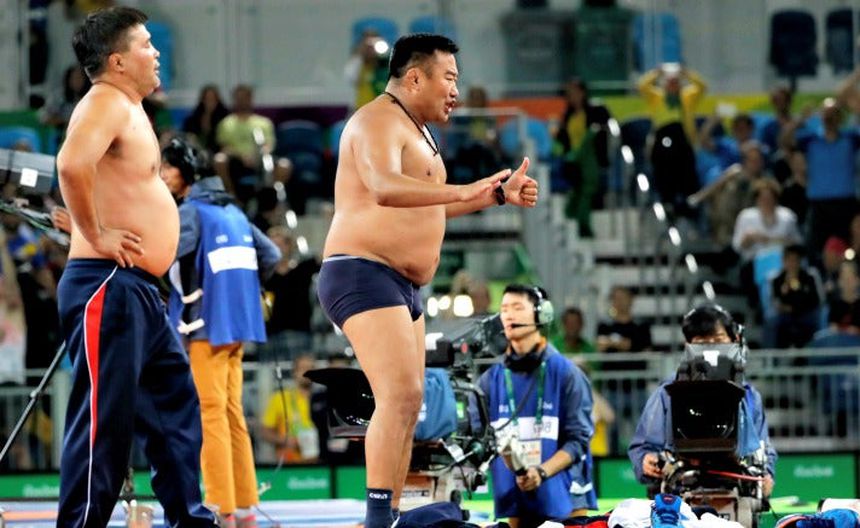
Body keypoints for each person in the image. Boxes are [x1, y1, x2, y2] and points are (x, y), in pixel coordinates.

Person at [316, 33, 538, 528]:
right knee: (398, 397)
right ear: (415, 77)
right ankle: (378, 519)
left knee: (409, 400)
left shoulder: (419, 131)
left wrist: (495, 195)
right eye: (450, 79)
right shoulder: (377, 120)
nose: (456, 91)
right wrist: (463, 188)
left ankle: (391, 515)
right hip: (362, 269)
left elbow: (432, 205)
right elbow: (383, 187)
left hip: (400, 282)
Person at [55, 6, 215, 526]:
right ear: (118, 61)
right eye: (146, 44)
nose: (156, 52)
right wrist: (95, 232)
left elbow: (103, 180)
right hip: (109, 283)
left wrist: (92, 222)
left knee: (174, 406)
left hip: (137, 289)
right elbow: (70, 164)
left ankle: (189, 518)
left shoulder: (127, 108)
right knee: (105, 422)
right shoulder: (106, 101)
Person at [161, 136, 280, 525]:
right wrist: (240, 290)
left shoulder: (190, 212)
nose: (161, 175)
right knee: (231, 412)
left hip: (206, 326)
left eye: (167, 167)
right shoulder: (233, 210)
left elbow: (165, 256)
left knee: (210, 413)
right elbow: (272, 255)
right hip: (239, 323)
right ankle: (244, 506)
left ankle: (220, 506)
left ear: (186, 172)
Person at [628, 304, 776, 498]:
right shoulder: (668, 392)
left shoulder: (749, 396)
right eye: (702, 341)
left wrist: (766, 476)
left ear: (735, 340)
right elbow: (642, 447)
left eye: (718, 340)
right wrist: (645, 460)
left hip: (737, 493)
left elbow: (763, 448)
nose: (711, 347)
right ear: (688, 345)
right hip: (679, 495)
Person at [478, 285, 597, 528]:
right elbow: (479, 439)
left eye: (517, 307)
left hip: (565, 498)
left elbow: (578, 441)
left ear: (542, 314)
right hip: (516, 499)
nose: (509, 315)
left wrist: (541, 472)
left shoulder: (567, 374)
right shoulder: (491, 380)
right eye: (504, 309)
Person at [553, 78, 610, 237]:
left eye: (574, 92)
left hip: (590, 159)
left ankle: (583, 225)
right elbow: (561, 139)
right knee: (577, 193)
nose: (571, 96)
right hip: (573, 160)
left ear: (582, 92)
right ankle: (570, 222)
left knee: (587, 191)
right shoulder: (568, 115)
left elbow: (601, 133)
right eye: (568, 93)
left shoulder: (596, 111)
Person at [259, 353, 321, 463]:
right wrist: (286, 440)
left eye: (311, 368)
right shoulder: (280, 398)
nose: (307, 372)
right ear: (294, 372)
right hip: (290, 464)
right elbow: (265, 432)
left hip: (320, 464)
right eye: (303, 368)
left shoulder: (323, 399)